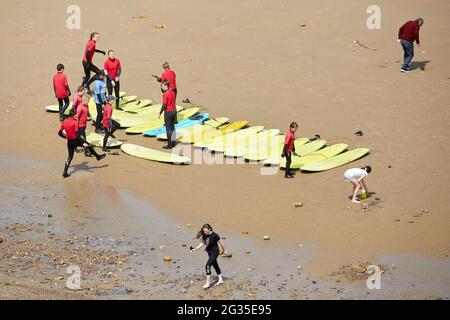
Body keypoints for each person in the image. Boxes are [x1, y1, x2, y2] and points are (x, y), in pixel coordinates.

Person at [58, 109, 106, 178]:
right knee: (88, 145)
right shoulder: (75, 122)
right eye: (76, 114)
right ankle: (97, 156)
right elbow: (77, 135)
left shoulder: (64, 122)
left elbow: (59, 133)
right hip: (76, 140)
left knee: (70, 157)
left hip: (69, 142)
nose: (77, 115)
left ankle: (65, 172)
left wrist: (66, 137)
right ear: (74, 115)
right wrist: (83, 143)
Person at [191, 224, 225, 289]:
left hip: (215, 252)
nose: (205, 232)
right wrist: (195, 248)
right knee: (215, 265)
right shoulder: (205, 235)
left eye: (206, 231)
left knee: (208, 265)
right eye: (204, 231)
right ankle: (221, 279)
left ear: (209, 229)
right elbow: (203, 243)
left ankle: (208, 283)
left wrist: (223, 250)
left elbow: (221, 242)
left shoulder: (215, 235)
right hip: (209, 252)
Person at [158, 80, 177, 149]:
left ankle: (169, 145)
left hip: (168, 112)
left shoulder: (165, 94)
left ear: (166, 86)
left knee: (168, 128)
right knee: (173, 127)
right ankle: (174, 142)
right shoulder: (173, 92)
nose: (161, 88)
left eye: (162, 86)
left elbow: (164, 105)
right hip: (174, 111)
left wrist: (160, 113)